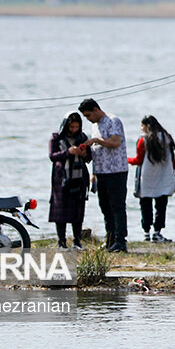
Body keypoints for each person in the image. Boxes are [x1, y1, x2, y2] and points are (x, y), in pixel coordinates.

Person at [79, 98, 130, 252]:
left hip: (116, 171)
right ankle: (110, 239)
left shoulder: (113, 121)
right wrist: (93, 173)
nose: (88, 119)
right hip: (101, 172)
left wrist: (96, 140)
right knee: (105, 207)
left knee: (117, 206)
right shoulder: (95, 125)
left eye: (88, 115)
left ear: (96, 109)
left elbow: (115, 142)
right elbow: (96, 152)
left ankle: (121, 241)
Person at [128, 115, 175, 243]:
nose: (141, 129)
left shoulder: (143, 140)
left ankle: (146, 233)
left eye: (142, 126)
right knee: (161, 206)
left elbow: (139, 160)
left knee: (145, 205)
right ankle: (157, 233)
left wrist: (125, 160)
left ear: (147, 126)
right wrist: (172, 172)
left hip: (147, 177)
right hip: (164, 177)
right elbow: (172, 159)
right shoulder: (167, 138)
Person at [48, 112, 90, 249]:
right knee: (61, 211)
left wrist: (84, 153)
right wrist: (69, 153)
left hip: (79, 178)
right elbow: (52, 156)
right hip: (62, 179)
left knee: (78, 211)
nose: (74, 130)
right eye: (71, 127)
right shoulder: (56, 138)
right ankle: (61, 242)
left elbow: (88, 158)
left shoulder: (82, 137)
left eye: (76, 127)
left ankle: (77, 241)